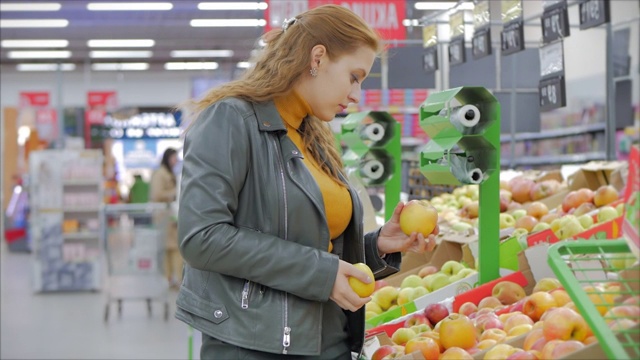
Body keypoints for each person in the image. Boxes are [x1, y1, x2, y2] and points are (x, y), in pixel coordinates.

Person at [176, 5, 439, 359]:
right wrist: (322, 273)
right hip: (254, 345)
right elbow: (201, 237)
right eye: (354, 76)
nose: (356, 94)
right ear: (317, 58)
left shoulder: (314, 137)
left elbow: (313, 246)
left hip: (327, 339)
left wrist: (377, 247)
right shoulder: (231, 120)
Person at [150, 147, 181, 288]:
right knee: (173, 249)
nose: (176, 161)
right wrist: (176, 192)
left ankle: (172, 278)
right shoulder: (160, 174)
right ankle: (173, 278)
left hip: (170, 217)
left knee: (171, 248)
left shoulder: (169, 173)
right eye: (174, 158)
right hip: (165, 218)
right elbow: (156, 194)